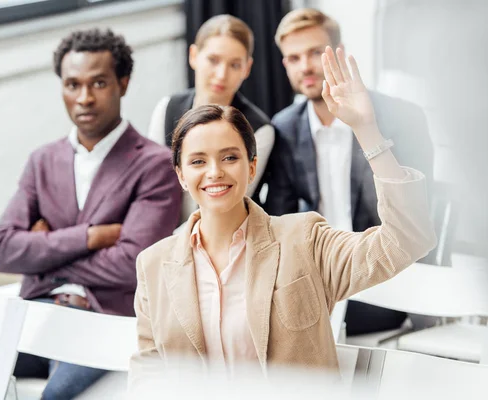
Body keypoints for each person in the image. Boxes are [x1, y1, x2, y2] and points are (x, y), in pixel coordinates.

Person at [128, 47, 436, 389]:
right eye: (198, 161)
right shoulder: (153, 265)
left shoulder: (304, 238)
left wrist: (366, 129)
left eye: (230, 157)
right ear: (181, 175)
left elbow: (406, 239)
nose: (214, 172)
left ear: (252, 167)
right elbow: (148, 370)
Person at [0, 28, 182, 400]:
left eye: (98, 83)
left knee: (55, 396)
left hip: (104, 324)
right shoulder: (43, 160)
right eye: (72, 85)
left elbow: (131, 264)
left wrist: (42, 252)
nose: (84, 98)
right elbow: (4, 249)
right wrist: (88, 237)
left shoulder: (155, 165)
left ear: (123, 83)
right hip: (35, 314)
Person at [262, 8, 435, 335]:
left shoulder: (404, 117)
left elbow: (420, 214)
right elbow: (280, 221)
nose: (306, 66)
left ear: (339, 51)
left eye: (315, 53)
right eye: (294, 58)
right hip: (320, 271)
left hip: (385, 266)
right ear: (284, 64)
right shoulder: (284, 128)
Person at [147, 14, 274, 219]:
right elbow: (152, 187)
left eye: (234, 65)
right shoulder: (166, 108)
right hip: (165, 228)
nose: (221, 74)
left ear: (247, 68)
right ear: (193, 55)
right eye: (213, 60)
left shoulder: (259, 129)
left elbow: (227, 205)